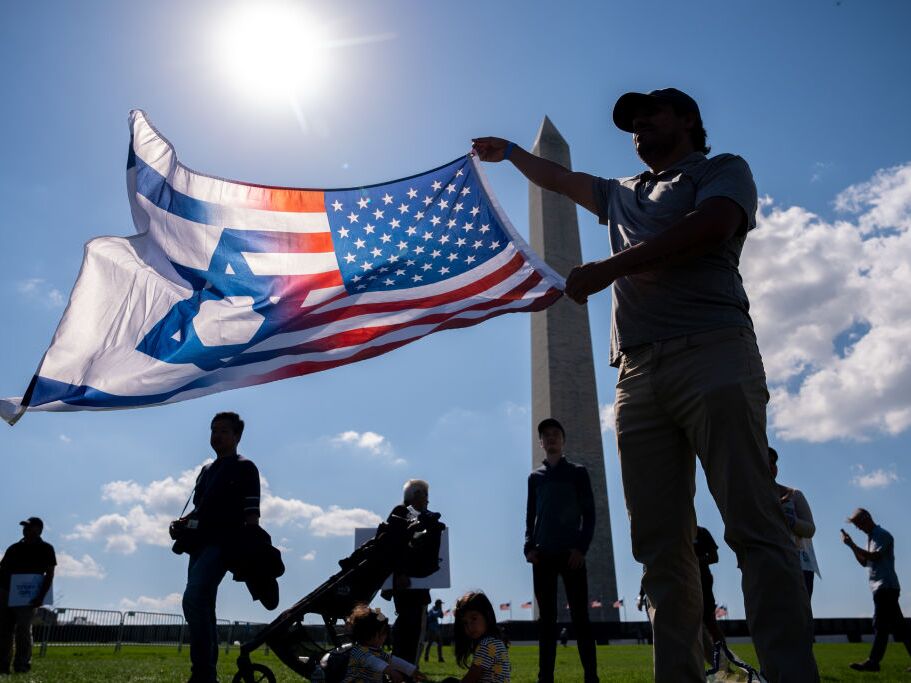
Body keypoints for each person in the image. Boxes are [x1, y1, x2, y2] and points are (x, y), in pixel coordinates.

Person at [474, 87, 818, 682]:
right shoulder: (620, 192)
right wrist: (509, 153)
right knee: (659, 547)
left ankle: (792, 675)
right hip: (635, 375)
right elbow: (560, 180)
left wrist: (610, 267)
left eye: (650, 115)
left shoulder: (721, 170)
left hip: (712, 351)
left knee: (754, 526)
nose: (637, 127)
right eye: (630, 123)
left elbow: (710, 228)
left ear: (687, 119)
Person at [181, 412, 261, 683]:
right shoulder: (206, 470)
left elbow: (252, 515)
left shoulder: (245, 466)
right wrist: (181, 522)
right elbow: (199, 509)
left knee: (192, 599)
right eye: (213, 430)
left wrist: (251, 548)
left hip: (223, 544)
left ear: (237, 436)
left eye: (224, 431)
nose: (217, 435)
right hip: (198, 546)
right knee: (204, 606)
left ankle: (202, 673)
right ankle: (205, 674)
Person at [523, 418, 598, 683]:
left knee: (581, 618)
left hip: (571, 554)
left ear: (563, 440)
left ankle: (591, 677)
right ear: (541, 443)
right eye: (546, 435)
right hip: (543, 554)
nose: (551, 438)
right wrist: (528, 547)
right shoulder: (535, 477)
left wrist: (581, 548)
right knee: (547, 621)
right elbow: (531, 515)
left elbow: (589, 515)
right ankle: (546, 678)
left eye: (555, 434)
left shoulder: (578, 473)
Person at [841, 508, 911, 673]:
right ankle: (873, 662)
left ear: (867, 518)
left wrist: (853, 545)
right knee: (898, 628)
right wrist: (851, 547)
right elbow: (864, 562)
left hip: (886, 587)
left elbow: (875, 557)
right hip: (881, 588)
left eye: (859, 523)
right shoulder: (870, 539)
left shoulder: (882, 535)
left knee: (880, 625)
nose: (858, 528)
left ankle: (873, 662)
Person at [388, 479, 436, 666]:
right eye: (426, 496)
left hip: (407, 589)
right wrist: (401, 572)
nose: (428, 502)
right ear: (416, 495)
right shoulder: (404, 514)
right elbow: (395, 547)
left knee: (405, 635)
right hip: (411, 590)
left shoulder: (405, 514)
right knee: (413, 638)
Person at [0, 517, 56, 674]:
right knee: (4, 631)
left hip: (27, 597)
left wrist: (40, 597)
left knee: (23, 630)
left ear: (38, 530)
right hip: (5, 592)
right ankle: (2, 667)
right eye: (24, 527)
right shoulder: (14, 548)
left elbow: (49, 574)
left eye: (29, 527)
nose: (25, 530)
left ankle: (22, 665)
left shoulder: (46, 549)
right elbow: (2, 569)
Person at [769, 447, 820, 598]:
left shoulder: (794, 495)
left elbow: (810, 529)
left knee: (799, 616)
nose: (770, 466)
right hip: (767, 566)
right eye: (764, 461)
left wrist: (791, 521)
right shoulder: (750, 497)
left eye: (773, 462)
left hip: (799, 566)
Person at [441, 591, 510, 683]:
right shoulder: (495, 641)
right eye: (465, 623)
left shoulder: (487, 644)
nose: (469, 626)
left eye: (474, 618)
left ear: (487, 615)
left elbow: (472, 678)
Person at [342, 604, 420, 683]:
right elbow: (373, 662)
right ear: (371, 635)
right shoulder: (358, 651)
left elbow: (392, 660)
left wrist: (411, 670)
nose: (386, 636)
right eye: (383, 633)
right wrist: (391, 672)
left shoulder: (377, 652)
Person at [424, 598, 445, 663]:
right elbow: (435, 615)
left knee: (440, 644)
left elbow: (441, 616)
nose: (441, 605)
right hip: (432, 629)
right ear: (438, 604)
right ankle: (426, 657)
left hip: (436, 629)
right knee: (430, 643)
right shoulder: (432, 610)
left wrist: (440, 609)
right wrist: (439, 609)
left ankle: (440, 658)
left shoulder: (438, 609)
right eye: (440, 604)